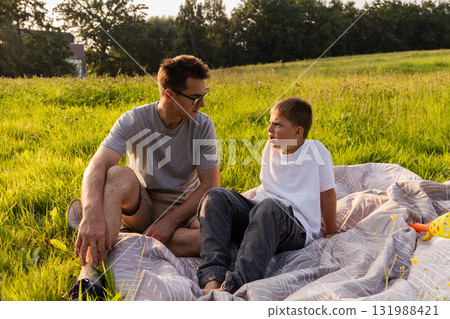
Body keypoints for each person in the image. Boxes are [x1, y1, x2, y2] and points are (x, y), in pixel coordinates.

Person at [67, 55, 220, 300]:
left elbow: (211, 185)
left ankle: (120, 236)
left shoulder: (202, 125)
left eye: (205, 94)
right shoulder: (134, 119)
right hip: (143, 205)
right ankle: (91, 273)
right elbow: (98, 164)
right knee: (116, 175)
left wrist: (170, 221)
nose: (201, 104)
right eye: (195, 97)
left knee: (217, 235)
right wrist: (92, 212)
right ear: (169, 95)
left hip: (185, 210)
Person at [196, 96, 337, 294]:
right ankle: (212, 279)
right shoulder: (270, 148)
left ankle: (235, 286)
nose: (269, 130)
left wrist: (331, 230)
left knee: (269, 206)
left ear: (298, 131)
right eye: (270, 123)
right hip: (263, 216)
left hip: (295, 226)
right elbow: (267, 190)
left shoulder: (316, 151)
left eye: (277, 125)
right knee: (215, 196)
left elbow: (327, 194)